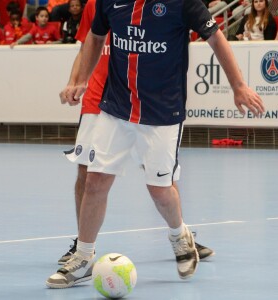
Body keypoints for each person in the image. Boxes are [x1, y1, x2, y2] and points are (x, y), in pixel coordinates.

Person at [46, 0, 264, 289]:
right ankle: (84, 257)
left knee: (160, 190)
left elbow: (216, 38)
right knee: (95, 180)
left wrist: (238, 86)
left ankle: (179, 235)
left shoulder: (183, 3)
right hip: (117, 106)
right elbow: (96, 37)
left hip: (163, 113)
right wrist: (80, 80)